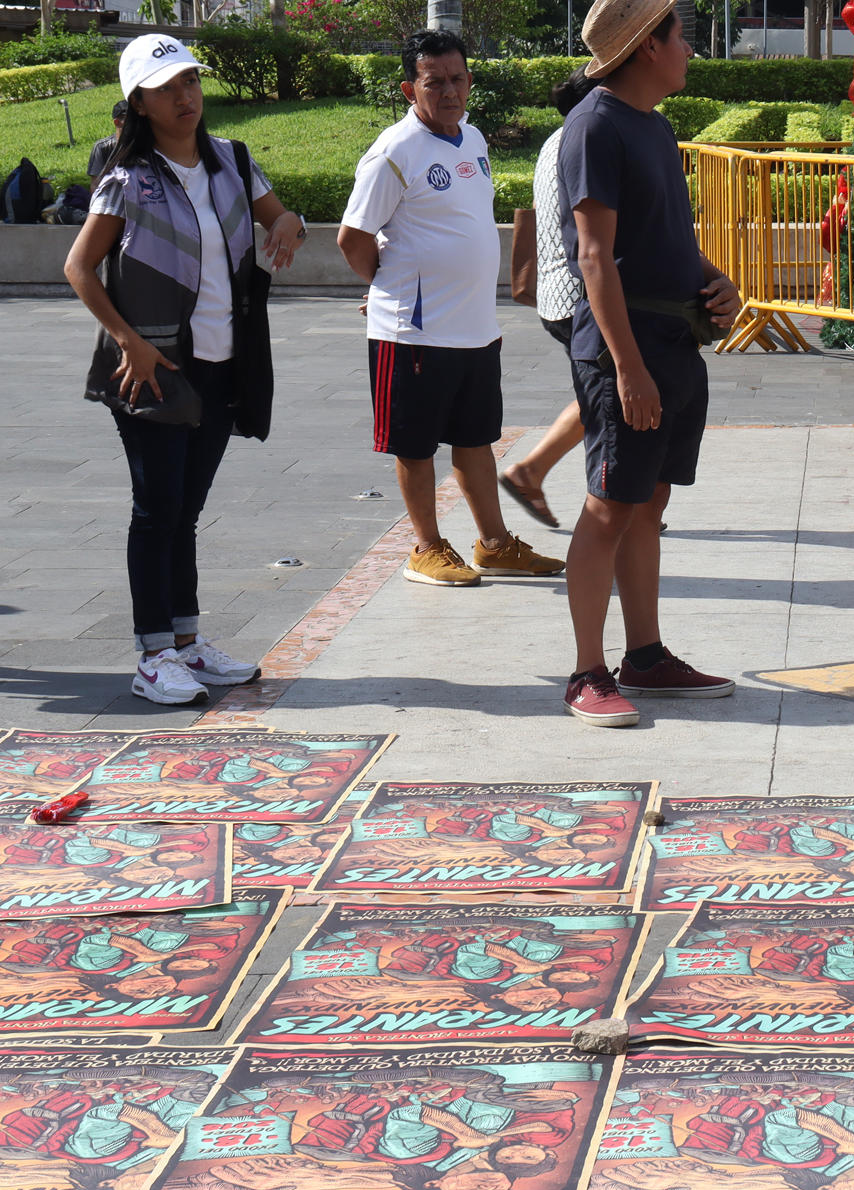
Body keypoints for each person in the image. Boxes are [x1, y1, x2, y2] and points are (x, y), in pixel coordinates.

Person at [63, 35, 307, 707]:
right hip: (154, 368)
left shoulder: (231, 160)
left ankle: (187, 640)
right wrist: (128, 342)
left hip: (223, 363)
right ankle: (152, 655)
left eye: (191, 81)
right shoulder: (126, 179)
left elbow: (279, 215)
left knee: (186, 511)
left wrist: (289, 225)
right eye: (168, 86)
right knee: (157, 508)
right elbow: (79, 268)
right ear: (138, 100)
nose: (186, 96)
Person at [556, 0, 743, 726]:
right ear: (644, 49)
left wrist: (715, 277)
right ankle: (585, 671)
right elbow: (595, 257)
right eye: (679, 37)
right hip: (624, 345)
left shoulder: (654, 126)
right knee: (609, 505)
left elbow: (660, 238)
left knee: (648, 501)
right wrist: (626, 368)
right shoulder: (596, 126)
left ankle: (645, 654)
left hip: (672, 342)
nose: (688, 49)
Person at [338, 29, 564, 588]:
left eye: (457, 79)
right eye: (434, 82)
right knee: (415, 447)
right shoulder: (394, 152)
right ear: (409, 88)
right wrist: (388, 285)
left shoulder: (473, 139)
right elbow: (352, 238)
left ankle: (493, 545)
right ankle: (426, 547)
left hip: (474, 328)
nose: (449, 92)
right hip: (412, 333)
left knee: (476, 439)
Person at [498, 68, 598, 529]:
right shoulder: (585, 141)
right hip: (580, 294)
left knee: (604, 393)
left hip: (560, 293)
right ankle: (533, 471)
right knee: (611, 393)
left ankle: (628, 495)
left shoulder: (557, 139)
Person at [86, 100, 128, 191]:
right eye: (129, 120)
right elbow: (95, 185)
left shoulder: (143, 144)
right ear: (117, 122)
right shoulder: (102, 147)